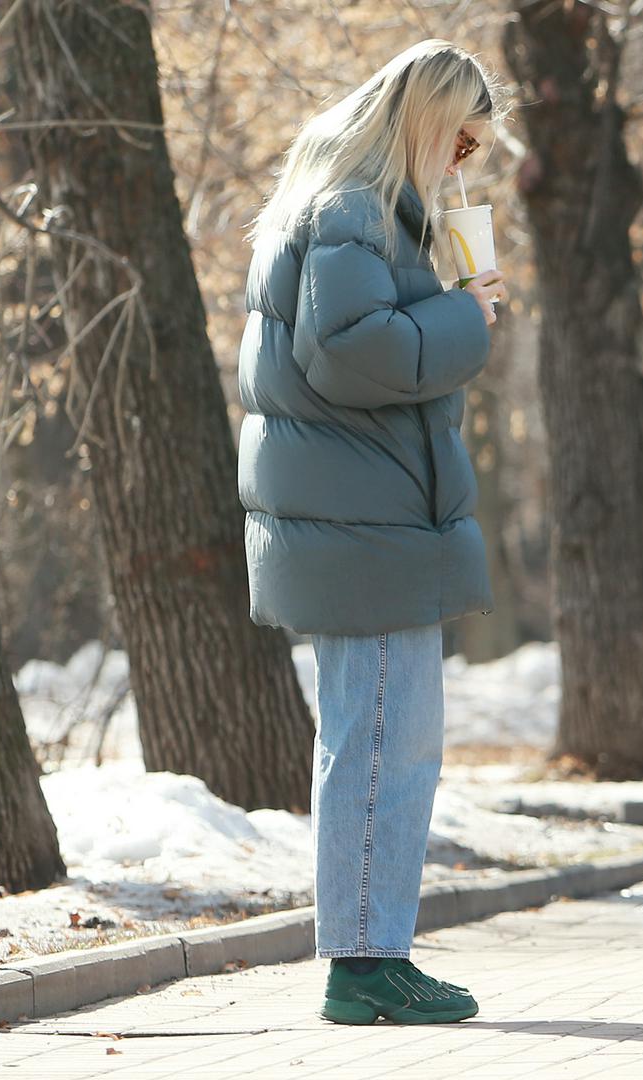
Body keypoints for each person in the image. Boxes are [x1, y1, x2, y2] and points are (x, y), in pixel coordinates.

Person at [238, 41, 508, 1024]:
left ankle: (374, 950)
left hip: (364, 520)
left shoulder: (356, 210)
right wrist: (465, 314)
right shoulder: (352, 211)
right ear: (424, 125)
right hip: (363, 526)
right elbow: (353, 354)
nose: (463, 167)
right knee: (384, 741)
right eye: (460, 142)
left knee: (387, 737)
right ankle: (362, 965)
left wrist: (444, 303)